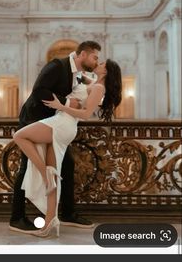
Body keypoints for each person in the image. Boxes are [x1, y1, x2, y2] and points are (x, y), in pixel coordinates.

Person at [13, 59, 122, 237]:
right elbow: (77, 77)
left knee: (19, 136)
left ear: (106, 71)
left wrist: (60, 105)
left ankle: (44, 173)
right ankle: (50, 223)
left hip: (63, 124)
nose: (98, 63)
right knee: (54, 172)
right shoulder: (93, 83)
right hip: (61, 123)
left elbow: (86, 114)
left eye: (102, 63)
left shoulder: (99, 88)